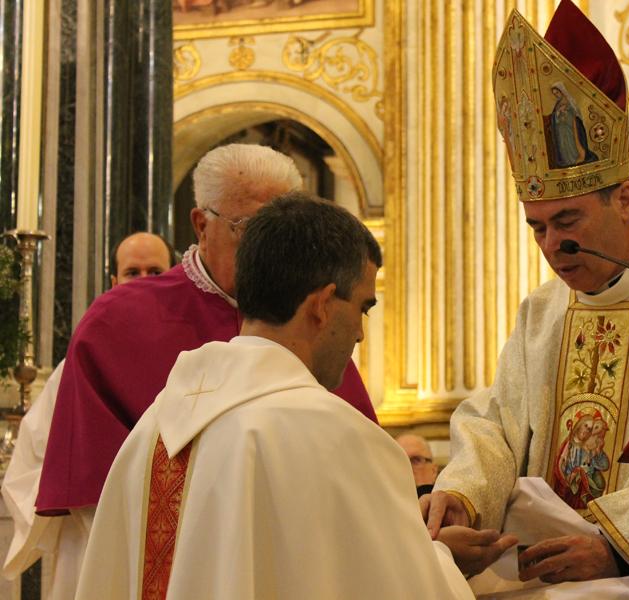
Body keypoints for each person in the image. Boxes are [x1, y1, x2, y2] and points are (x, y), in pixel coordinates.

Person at [422, 1, 629, 592]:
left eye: (568, 220)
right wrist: (462, 496)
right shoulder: (543, 311)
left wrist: (618, 547)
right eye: (538, 227)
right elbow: (497, 424)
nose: (553, 245)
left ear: (625, 200)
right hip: (536, 562)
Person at [75, 194, 514, 599]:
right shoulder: (335, 436)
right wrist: (441, 558)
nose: (361, 333)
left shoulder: (153, 430)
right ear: (322, 305)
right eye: (363, 307)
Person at [35, 146, 376, 537]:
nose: (271, 249)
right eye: (251, 228)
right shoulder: (117, 324)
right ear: (201, 225)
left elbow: (353, 463)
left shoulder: (314, 319)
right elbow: (99, 492)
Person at [2, 232, 175, 600]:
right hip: (90, 538)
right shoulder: (78, 364)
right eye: (132, 272)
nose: (143, 281)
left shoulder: (190, 362)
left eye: (155, 271)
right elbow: (31, 463)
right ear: (113, 282)